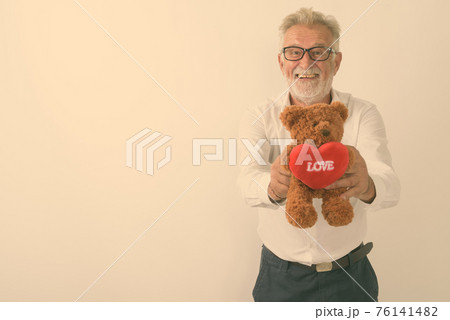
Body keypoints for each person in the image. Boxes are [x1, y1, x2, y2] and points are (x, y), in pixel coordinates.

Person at [238, 8, 400, 302]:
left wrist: (367, 184)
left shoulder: (362, 113)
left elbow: (390, 185)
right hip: (279, 277)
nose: (306, 62)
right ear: (280, 62)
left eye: (319, 52)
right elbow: (246, 181)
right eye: (294, 52)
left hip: (351, 276)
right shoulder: (259, 116)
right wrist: (273, 187)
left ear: (336, 62)